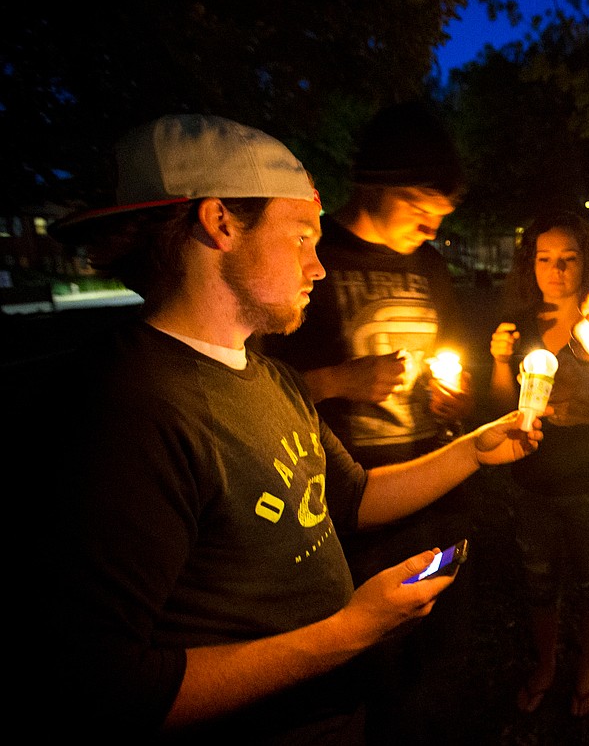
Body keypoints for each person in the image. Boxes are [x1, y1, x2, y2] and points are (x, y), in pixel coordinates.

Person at [43, 114, 539, 744]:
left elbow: (353, 498)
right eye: (302, 236)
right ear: (221, 223)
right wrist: (350, 631)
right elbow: (103, 688)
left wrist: (475, 447)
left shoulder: (268, 376)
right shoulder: (128, 409)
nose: (321, 265)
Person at [256, 101, 476, 741]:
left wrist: (451, 401)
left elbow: (452, 357)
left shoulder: (429, 266)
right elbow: (260, 384)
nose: (433, 226)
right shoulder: (316, 267)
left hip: (435, 492)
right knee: (368, 666)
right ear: (376, 187)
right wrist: (341, 381)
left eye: (443, 215)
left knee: (439, 659)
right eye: (422, 207)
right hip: (347, 507)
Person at [488, 211, 589, 719]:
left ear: (587, 263)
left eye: (569, 259)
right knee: (539, 583)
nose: (557, 270)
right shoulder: (521, 326)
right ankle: (547, 663)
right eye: (545, 259)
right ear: (531, 265)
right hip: (533, 482)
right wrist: (501, 362)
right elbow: (500, 407)